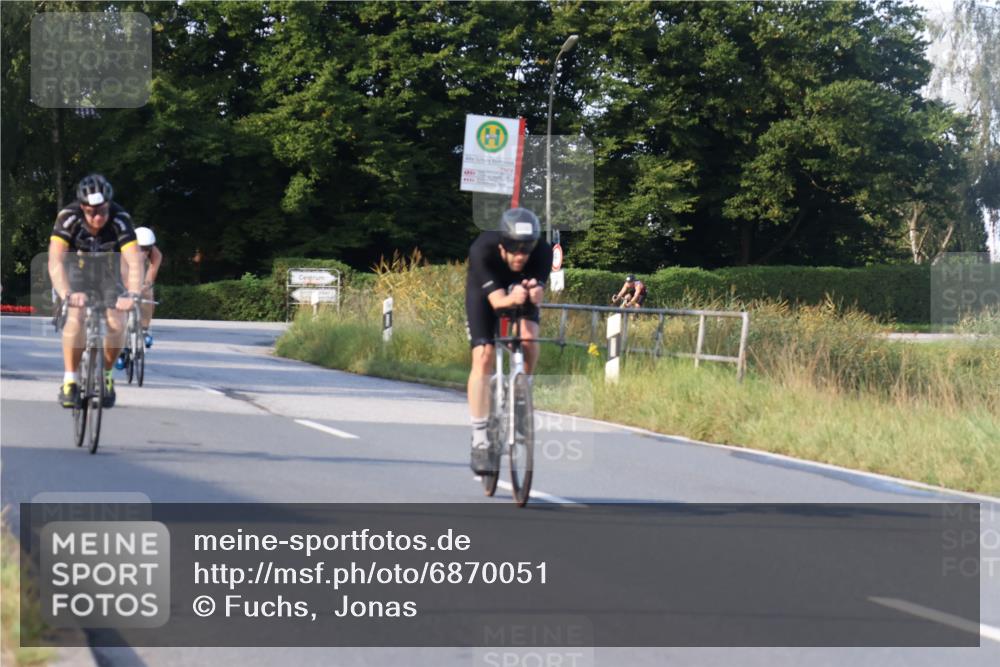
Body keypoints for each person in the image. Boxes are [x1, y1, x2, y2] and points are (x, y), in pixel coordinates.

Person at [465, 208, 552, 474]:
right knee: (484, 355)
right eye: (514, 250)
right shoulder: (483, 249)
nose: (520, 256)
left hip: (519, 290)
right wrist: (510, 299)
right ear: (503, 244)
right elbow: (498, 303)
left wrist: (537, 292)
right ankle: (480, 439)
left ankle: (523, 390)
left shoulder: (543, 252)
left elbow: (538, 287)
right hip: (486, 292)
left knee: (528, 337)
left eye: (526, 250)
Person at [48, 174, 144, 408]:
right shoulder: (68, 218)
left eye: (103, 210)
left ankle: (107, 375)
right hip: (75, 272)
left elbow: (135, 262)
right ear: (82, 207)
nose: (99, 217)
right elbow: (55, 261)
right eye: (92, 212)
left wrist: (132, 294)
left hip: (107, 272)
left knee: (117, 323)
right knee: (76, 317)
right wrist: (67, 294)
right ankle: (70, 380)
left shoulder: (120, 219)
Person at [121, 226, 162, 348]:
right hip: (124, 274)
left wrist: (144, 287)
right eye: (140, 248)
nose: (144, 252)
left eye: (147, 249)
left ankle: (144, 329)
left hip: (140, 275)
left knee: (148, 293)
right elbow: (122, 275)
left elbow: (150, 277)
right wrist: (129, 288)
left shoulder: (156, 255)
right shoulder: (124, 252)